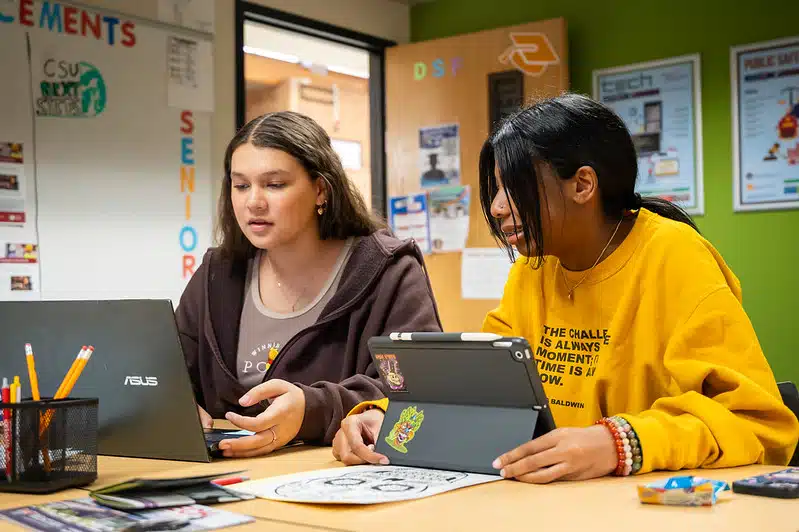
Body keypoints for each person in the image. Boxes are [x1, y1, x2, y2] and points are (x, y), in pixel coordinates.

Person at [331, 94, 799, 482]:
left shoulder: (677, 257)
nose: (495, 208)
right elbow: (478, 390)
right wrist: (380, 418)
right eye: (492, 190)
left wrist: (619, 443)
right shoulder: (534, 269)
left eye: (511, 189)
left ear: (583, 185)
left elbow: (759, 424)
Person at [175, 111, 442, 458]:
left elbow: (419, 387)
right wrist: (174, 400)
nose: (253, 201)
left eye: (274, 184)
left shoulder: (389, 271)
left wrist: (313, 409)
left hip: (334, 479)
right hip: (223, 475)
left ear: (320, 189)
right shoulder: (218, 274)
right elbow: (168, 369)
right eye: (240, 185)